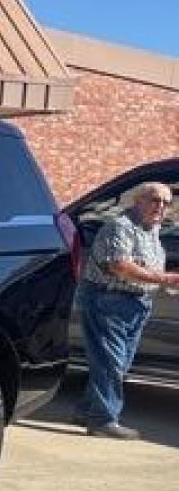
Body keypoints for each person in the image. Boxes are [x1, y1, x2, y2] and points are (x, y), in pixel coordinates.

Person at [76, 181, 179, 439]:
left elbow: (147, 267)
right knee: (110, 362)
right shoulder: (119, 227)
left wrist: (163, 283)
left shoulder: (152, 230)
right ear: (138, 200)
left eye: (166, 203)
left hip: (136, 304)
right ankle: (103, 420)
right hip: (108, 300)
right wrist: (163, 279)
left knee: (117, 362)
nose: (161, 207)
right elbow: (120, 266)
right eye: (155, 200)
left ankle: (87, 409)